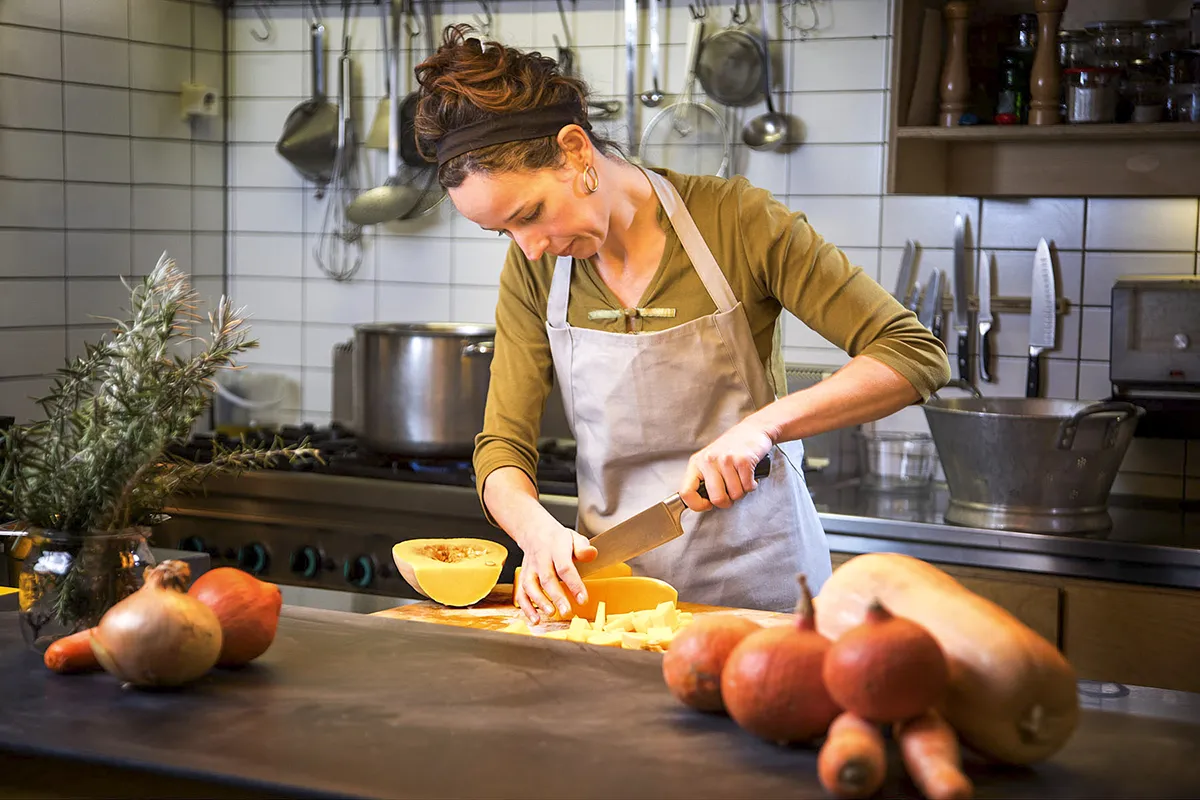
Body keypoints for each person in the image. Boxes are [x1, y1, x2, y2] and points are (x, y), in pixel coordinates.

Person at [414, 26, 950, 624]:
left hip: (761, 600)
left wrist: (763, 428)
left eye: (531, 214)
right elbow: (502, 446)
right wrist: (535, 528)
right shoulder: (536, 270)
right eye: (505, 232)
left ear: (574, 150)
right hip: (613, 600)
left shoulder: (738, 223)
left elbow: (913, 353)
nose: (529, 248)